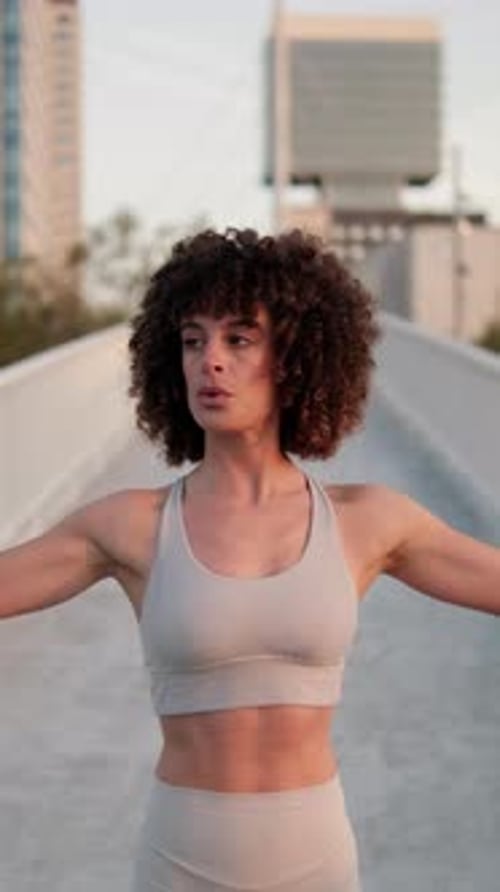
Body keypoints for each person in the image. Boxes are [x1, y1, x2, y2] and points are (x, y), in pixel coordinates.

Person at [1, 226, 499, 892]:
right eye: (192, 339)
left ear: (294, 356)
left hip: (316, 860)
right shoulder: (129, 526)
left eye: (239, 339)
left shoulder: (368, 521)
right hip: (180, 861)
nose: (210, 360)